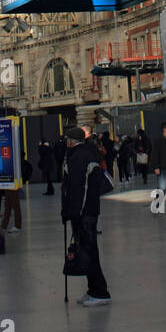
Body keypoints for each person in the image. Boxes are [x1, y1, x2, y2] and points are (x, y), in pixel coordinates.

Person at [61, 124, 110, 306]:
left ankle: (100, 292)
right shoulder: (77, 155)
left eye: (67, 139)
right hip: (82, 212)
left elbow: (80, 188)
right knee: (85, 250)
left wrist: (74, 211)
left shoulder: (80, 157)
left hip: (84, 213)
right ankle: (93, 289)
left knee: (89, 251)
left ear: (72, 141)